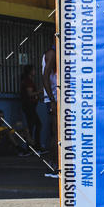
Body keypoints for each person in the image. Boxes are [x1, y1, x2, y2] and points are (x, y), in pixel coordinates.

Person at [42, 41, 58, 176]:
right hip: (54, 99)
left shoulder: (56, 53)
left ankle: (54, 164)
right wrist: (52, 100)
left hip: (57, 99)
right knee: (56, 132)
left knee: (57, 132)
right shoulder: (52, 53)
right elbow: (45, 77)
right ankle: (52, 165)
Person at [20, 65, 42, 150]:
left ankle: (32, 146)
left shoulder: (28, 81)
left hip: (30, 106)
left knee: (33, 125)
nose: (35, 72)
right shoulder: (28, 81)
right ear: (30, 71)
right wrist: (40, 91)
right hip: (29, 106)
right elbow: (30, 94)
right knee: (35, 125)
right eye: (33, 70)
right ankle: (34, 146)